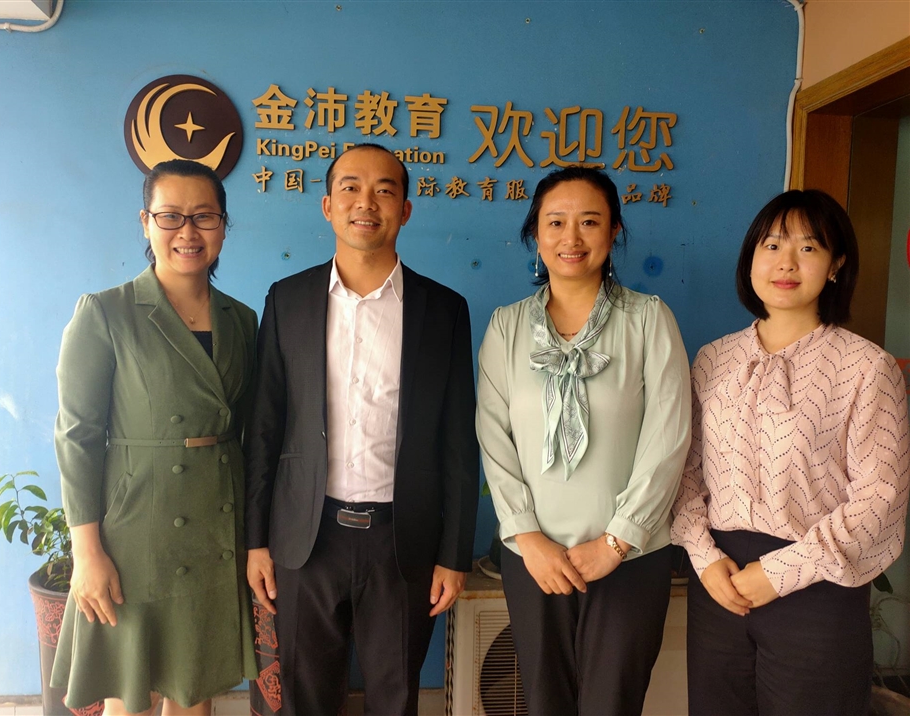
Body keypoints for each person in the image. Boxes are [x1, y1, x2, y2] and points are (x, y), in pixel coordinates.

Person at [243, 143, 479, 716]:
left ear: (405, 210)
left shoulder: (443, 310)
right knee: (304, 695)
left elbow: (457, 441)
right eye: (349, 188)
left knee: (395, 696)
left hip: (404, 540)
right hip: (305, 537)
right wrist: (255, 541)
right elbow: (265, 426)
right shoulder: (288, 299)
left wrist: (454, 555)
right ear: (328, 206)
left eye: (384, 190)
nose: (365, 203)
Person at [671, 189, 910, 716]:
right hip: (720, 582)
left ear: (835, 265)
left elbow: (881, 497)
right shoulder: (712, 359)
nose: (786, 263)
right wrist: (705, 559)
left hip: (819, 585)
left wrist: (778, 573)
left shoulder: (866, 368)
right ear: (751, 258)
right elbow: (685, 473)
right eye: (773, 245)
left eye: (808, 248)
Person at [476, 166, 691, 715]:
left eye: (589, 221)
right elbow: (493, 436)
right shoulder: (506, 326)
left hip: (630, 556)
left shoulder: (649, 320)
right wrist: (527, 536)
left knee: (612, 704)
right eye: (555, 222)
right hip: (534, 557)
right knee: (543, 700)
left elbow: (668, 438)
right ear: (536, 233)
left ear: (614, 230)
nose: (571, 238)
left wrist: (618, 540)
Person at [51, 159, 259, 715]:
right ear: (146, 222)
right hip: (135, 529)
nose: (188, 232)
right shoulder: (106, 311)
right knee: (131, 689)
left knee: (194, 686)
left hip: (215, 522)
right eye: (171, 216)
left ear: (223, 225)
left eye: (204, 216)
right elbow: (77, 436)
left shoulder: (242, 320)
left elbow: (251, 430)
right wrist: (86, 551)